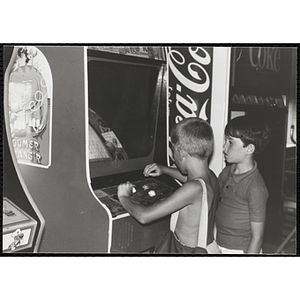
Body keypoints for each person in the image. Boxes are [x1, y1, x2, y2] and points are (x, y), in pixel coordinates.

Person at [117, 117, 220, 254]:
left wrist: (124, 197)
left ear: (181, 153)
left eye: (173, 151)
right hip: (209, 248)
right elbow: (190, 178)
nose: (173, 157)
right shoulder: (211, 177)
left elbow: (144, 216)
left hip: (188, 252)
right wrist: (164, 169)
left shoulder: (193, 189)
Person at [215, 115, 271, 254]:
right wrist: (166, 170)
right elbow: (207, 187)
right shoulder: (228, 172)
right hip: (220, 244)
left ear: (249, 149)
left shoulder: (255, 187)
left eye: (230, 142)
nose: (224, 147)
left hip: (240, 250)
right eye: (225, 141)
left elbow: (257, 237)